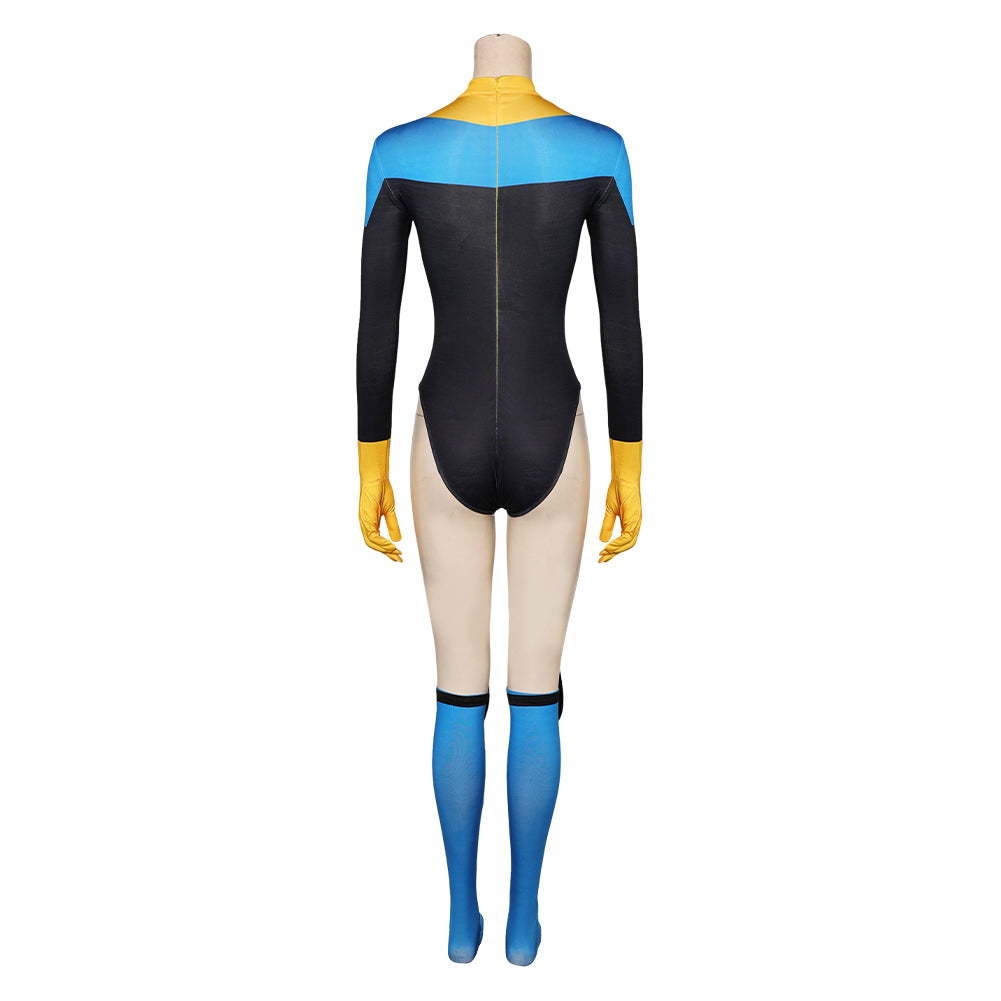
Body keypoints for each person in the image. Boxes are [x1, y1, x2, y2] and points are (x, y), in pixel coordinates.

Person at [355, 33, 644, 965]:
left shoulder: (398, 152)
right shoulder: (597, 150)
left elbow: (376, 323)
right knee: (535, 692)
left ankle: (459, 920)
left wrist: (367, 465)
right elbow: (620, 322)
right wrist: (631, 465)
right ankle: (522, 920)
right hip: (552, 428)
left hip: (438, 433)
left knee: (455, 690)